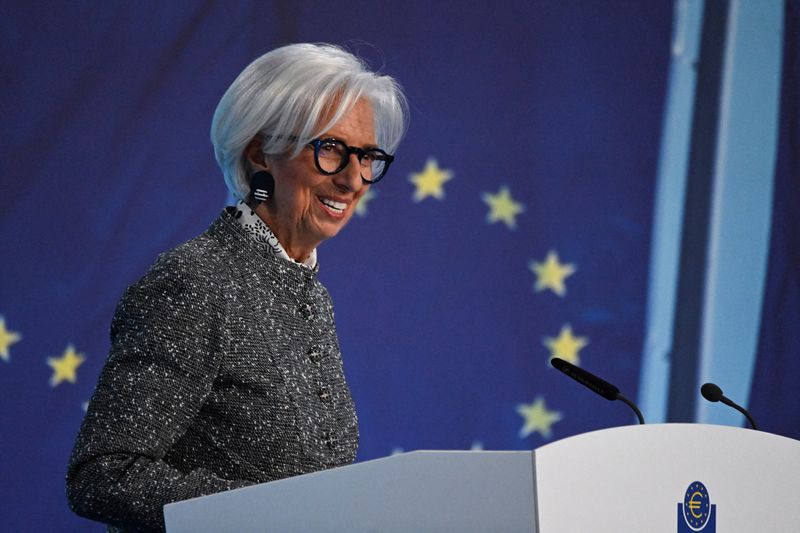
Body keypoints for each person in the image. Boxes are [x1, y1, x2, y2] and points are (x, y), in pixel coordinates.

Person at [66, 43, 407, 532]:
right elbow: (103, 474)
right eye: (330, 149)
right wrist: (277, 514)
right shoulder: (195, 282)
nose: (354, 178)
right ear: (259, 153)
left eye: (368, 156)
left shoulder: (308, 291)